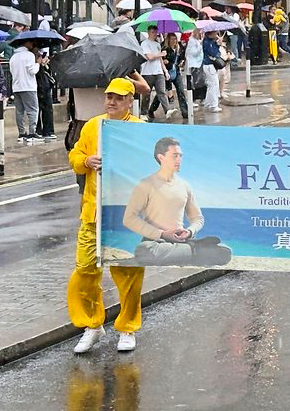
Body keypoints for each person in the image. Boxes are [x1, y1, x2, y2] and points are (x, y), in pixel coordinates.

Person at [68, 78, 147, 354]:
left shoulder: (140, 129)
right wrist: (85, 161)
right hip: (93, 214)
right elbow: (76, 155)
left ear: (130, 102)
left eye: (118, 98)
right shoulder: (93, 126)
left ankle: (127, 328)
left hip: (126, 216)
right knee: (85, 270)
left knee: (128, 272)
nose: (112, 102)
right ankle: (92, 324)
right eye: (109, 97)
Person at [123, 137, 231, 266]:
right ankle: (195, 250)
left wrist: (189, 231)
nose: (179, 160)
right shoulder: (146, 184)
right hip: (157, 241)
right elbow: (129, 218)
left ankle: (188, 250)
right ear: (161, 157)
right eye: (175, 156)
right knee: (144, 250)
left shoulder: (184, 185)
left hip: (181, 240)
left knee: (225, 251)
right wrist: (162, 234)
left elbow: (198, 218)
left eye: (180, 156)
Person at [140, 26, 175, 121]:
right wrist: (161, 54)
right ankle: (143, 112)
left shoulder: (157, 44)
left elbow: (160, 60)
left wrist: (165, 71)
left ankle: (167, 110)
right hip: (148, 72)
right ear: (148, 32)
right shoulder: (145, 44)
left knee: (161, 92)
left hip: (159, 71)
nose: (155, 34)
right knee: (147, 93)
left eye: (156, 32)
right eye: (152, 32)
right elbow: (149, 57)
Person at [10, 39, 40, 144]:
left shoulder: (13, 57)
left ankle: (22, 133)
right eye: (31, 42)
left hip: (16, 87)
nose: (32, 44)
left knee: (19, 111)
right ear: (26, 43)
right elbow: (33, 71)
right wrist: (38, 63)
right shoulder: (29, 55)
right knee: (33, 110)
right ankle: (32, 133)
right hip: (28, 86)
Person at [163, 33, 188, 121]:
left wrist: (181, 62)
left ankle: (185, 112)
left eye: (175, 39)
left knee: (181, 91)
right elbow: (162, 60)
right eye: (172, 39)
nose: (173, 41)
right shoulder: (165, 49)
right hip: (168, 72)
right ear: (168, 40)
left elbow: (182, 57)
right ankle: (152, 109)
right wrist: (165, 61)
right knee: (162, 93)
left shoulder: (179, 48)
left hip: (176, 72)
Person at [35, 49, 57, 140]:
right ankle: (41, 131)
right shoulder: (32, 57)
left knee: (46, 109)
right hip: (39, 85)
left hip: (44, 85)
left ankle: (47, 131)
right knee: (40, 109)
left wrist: (44, 64)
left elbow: (48, 71)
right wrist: (39, 63)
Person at [201, 30, 223, 113]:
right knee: (214, 85)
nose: (216, 34)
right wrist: (218, 45)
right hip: (209, 65)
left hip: (208, 65)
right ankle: (214, 105)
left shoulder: (208, 41)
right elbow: (214, 53)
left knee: (211, 85)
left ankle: (208, 103)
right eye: (215, 33)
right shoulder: (208, 42)